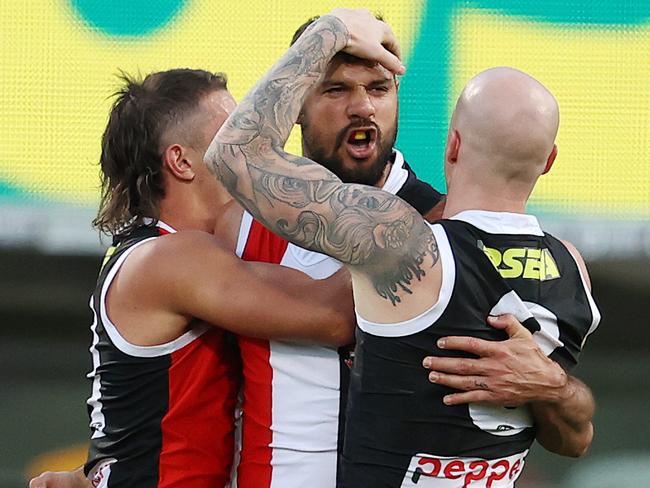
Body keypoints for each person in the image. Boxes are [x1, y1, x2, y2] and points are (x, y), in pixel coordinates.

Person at [205, 9, 600, 488]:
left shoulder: (430, 232)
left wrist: (557, 389)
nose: (363, 108)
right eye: (336, 89)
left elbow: (569, 435)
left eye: (379, 89)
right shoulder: (236, 224)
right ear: (296, 106)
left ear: (449, 144)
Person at [29, 68, 355, 488]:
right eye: (232, 137)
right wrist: (407, 229)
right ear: (181, 161)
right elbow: (334, 317)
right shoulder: (174, 259)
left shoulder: (154, 251)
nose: (248, 151)